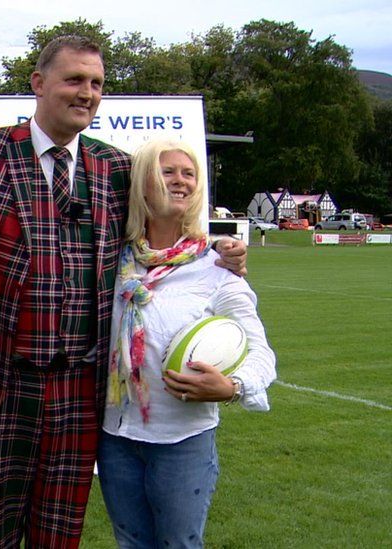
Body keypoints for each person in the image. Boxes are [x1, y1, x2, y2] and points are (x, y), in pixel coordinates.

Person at [0, 36, 248, 548]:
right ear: (39, 84)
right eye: (74, 80)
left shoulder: (117, 168)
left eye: (97, 83)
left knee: (59, 535)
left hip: (80, 390)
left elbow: (169, 218)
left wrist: (217, 243)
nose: (87, 93)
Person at [98, 139, 276, 548]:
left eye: (189, 173)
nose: (180, 181)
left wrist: (233, 388)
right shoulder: (113, 260)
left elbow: (261, 351)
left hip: (183, 442)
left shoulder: (215, 270)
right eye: (167, 171)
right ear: (142, 184)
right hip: (117, 438)